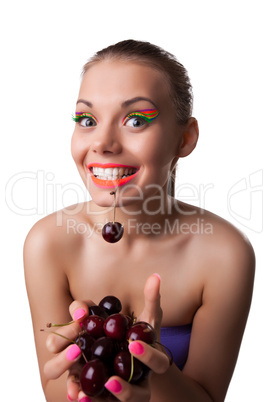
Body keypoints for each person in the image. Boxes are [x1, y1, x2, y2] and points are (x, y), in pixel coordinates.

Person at [24, 39, 255, 402]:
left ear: (185, 138)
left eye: (135, 120)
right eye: (87, 119)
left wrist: (152, 368)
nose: (102, 143)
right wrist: (77, 388)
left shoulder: (225, 254)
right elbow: (56, 388)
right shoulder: (48, 243)